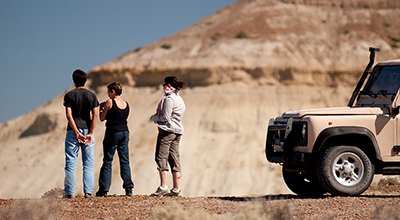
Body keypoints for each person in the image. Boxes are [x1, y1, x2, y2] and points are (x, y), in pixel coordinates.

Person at [63, 69, 99, 198]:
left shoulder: (69, 95)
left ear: (74, 81)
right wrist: (90, 132)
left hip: (73, 131)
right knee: (88, 163)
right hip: (87, 130)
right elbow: (95, 114)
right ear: (85, 81)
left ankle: (69, 193)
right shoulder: (92, 95)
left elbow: (69, 115)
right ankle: (88, 192)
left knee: (71, 162)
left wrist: (76, 131)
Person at [96, 82, 134, 197]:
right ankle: (128, 187)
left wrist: (101, 109)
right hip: (125, 132)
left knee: (108, 160)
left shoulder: (109, 102)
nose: (107, 94)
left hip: (113, 132)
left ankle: (104, 189)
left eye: (108, 91)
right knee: (124, 160)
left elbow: (102, 118)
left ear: (113, 91)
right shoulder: (126, 104)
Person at [150, 76, 186, 197]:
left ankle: (163, 187)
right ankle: (176, 189)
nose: (163, 87)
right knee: (174, 158)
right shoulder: (180, 99)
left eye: (164, 84)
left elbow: (165, 117)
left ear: (169, 85)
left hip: (167, 131)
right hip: (177, 131)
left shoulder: (169, 99)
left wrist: (154, 118)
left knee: (161, 157)